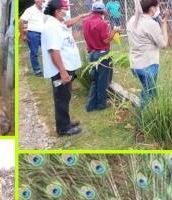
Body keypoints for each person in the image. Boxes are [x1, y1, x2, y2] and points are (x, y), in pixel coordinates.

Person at [42, 0, 89, 136]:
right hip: (60, 70)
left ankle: (66, 121)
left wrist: (80, 17)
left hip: (66, 67)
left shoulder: (56, 23)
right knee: (61, 98)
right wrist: (62, 72)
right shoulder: (52, 27)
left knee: (66, 96)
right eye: (64, 9)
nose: (66, 11)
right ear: (57, 12)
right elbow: (54, 51)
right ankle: (63, 128)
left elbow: (67, 23)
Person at [127, 0, 168, 106]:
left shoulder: (132, 20)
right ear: (152, 8)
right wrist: (164, 24)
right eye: (157, 7)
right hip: (148, 65)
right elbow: (163, 44)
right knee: (148, 97)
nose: (158, 9)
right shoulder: (151, 24)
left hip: (135, 64)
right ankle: (144, 115)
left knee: (149, 91)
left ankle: (152, 111)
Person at [83, 2, 120, 112]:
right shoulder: (102, 23)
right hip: (102, 54)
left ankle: (90, 105)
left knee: (95, 80)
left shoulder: (86, 22)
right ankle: (101, 104)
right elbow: (106, 40)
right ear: (103, 11)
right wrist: (114, 31)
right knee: (103, 80)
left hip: (92, 53)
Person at [20, 0, 45, 76]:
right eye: (42, 0)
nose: (43, 2)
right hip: (33, 34)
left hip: (45, 34)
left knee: (49, 51)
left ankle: (48, 68)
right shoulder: (30, 10)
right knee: (34, 53)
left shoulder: (45, 9)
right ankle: (37, 71)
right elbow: (21, 21)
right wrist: (22, 35)